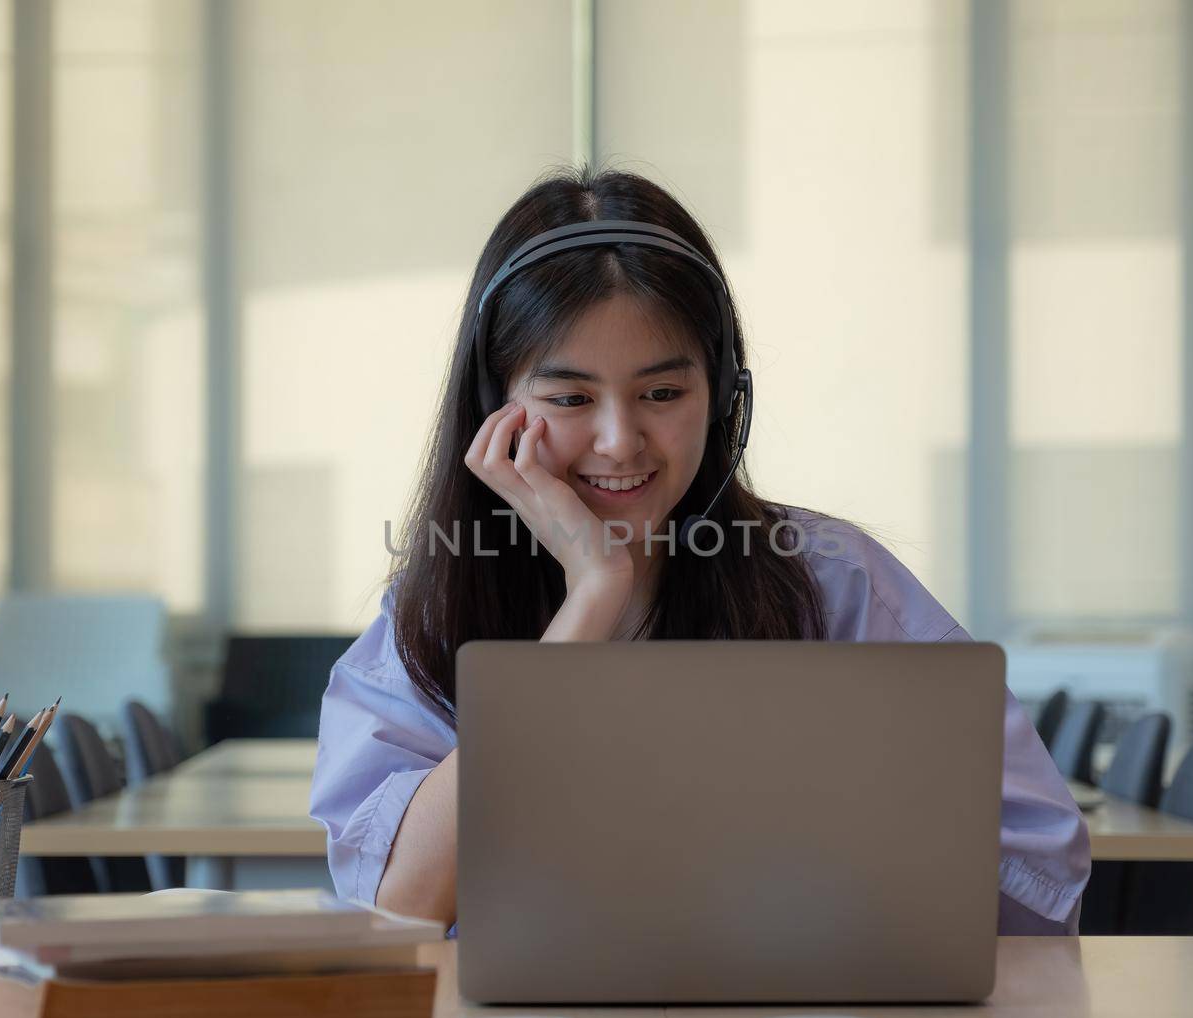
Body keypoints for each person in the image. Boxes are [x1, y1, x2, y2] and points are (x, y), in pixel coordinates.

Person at [309, 164, 1089, 935]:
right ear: (496, 408)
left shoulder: (835, 582)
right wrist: (590, 600)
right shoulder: (439, 609)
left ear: (722, 397)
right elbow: (400, 903)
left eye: (662, 393)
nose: (620, 441)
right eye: (571, 398)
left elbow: (1040, 871)